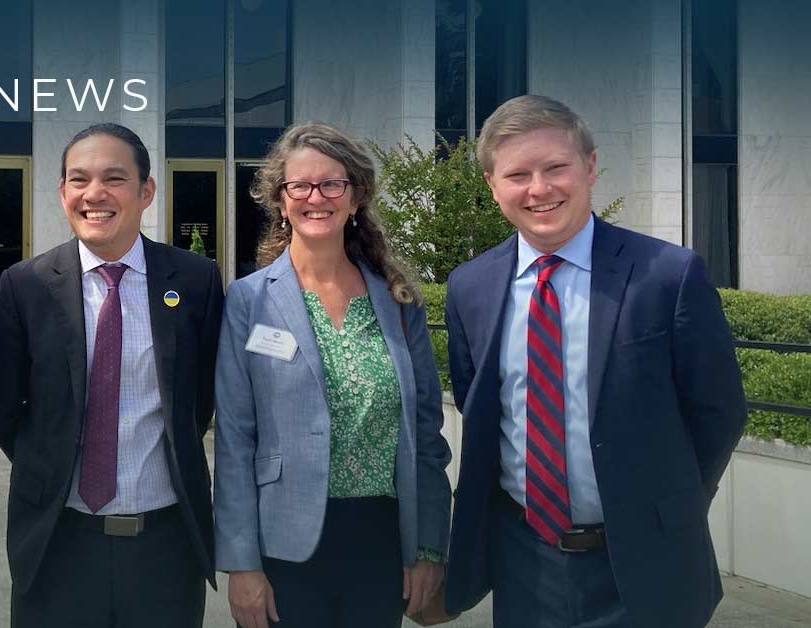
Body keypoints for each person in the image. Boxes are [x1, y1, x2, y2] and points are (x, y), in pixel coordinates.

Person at [442, 95, 747, 628]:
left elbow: (717, 413)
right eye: (517, 174)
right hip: (524, 564)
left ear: (589, 166)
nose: (539, 189)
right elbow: (482, 408)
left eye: (555, 167)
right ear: (493, 186)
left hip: (645, 568)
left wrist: (666, 510)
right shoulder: (469, 288)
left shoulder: (668, 276)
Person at [0, 123, 224, 628]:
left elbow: (200, 400)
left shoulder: (196, 280)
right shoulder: (25, 285)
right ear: (63, 191)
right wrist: (49, 461)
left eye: (114, 178)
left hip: (166, 546)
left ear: (146, 191)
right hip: (56, 542)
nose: (95, 194)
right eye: (78, 180)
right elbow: (1, 407)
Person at [214, 122, 452, 628]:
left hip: (383, 542)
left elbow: (428, 435)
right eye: (299, 185)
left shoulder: (397, 299)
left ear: (355, 195)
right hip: (284, 545)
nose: (314, 197)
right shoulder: (249, 299)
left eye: (331, 184)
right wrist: (241, 561)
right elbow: (235, 439)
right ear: (280, 200)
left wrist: (429, 544)